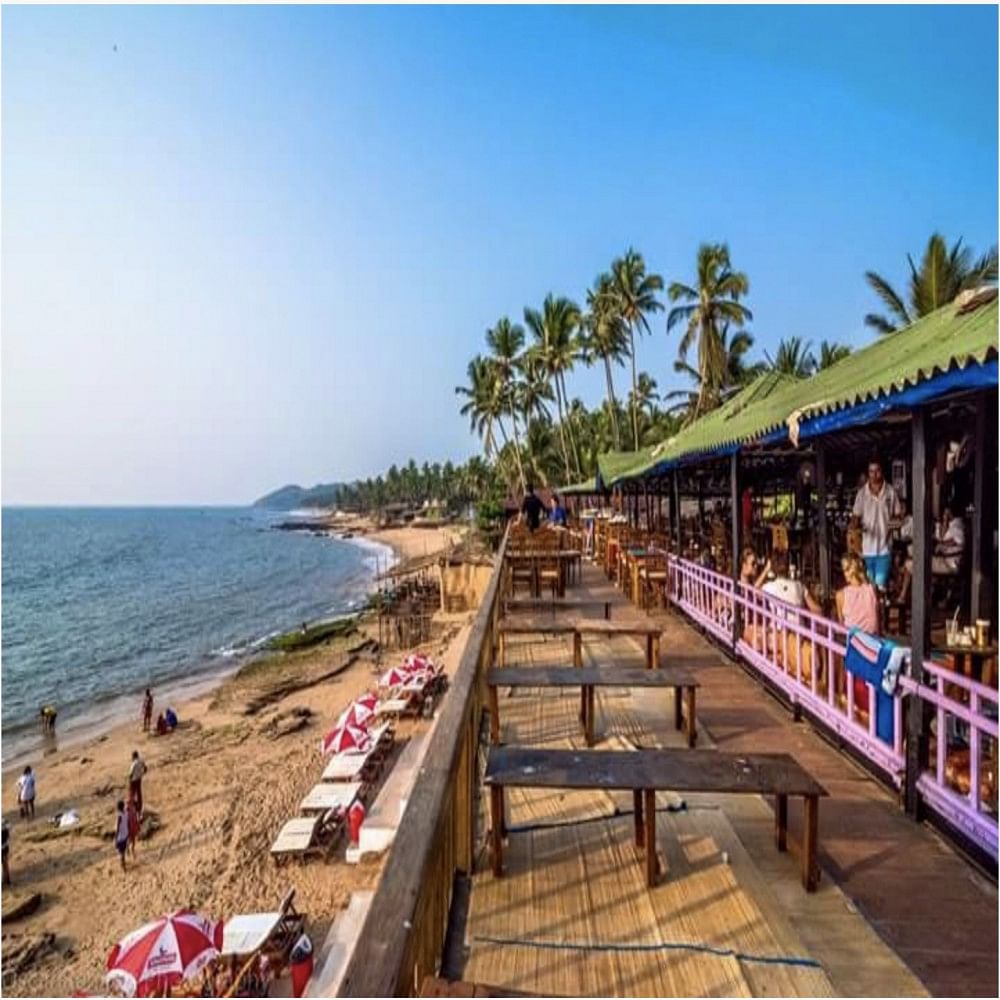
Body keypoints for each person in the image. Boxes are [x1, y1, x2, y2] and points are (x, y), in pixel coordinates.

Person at [835, 553, 880, 714]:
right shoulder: (872, 590)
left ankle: (842, 693)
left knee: (840, 646)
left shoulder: (841, 595)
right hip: (873, 645)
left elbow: (841, 626)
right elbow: (877, 623)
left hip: (854, 646)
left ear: (849, 571)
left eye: (845, 570)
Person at [851, 458, 902, 590]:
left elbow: (898, 515)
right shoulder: (862, 494)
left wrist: (890, 527)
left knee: (879, 587)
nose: (874, 475)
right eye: (871, 471)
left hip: (884, 549)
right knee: (869, 588)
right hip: (867, 549)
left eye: (877, 471)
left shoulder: (890, 492)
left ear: (882, 472)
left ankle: (879, 609)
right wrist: (854, 527)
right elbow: (855, 517)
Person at [932, 506, 966, 576]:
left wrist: (941, 545)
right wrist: (944, 523)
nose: (944, 515)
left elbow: (957, 541)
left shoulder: (957, 525)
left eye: (946, 513)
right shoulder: (943, 525)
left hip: (951, 563)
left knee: (919, 563)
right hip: (943, 559)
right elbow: (940, 539)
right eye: (944, 513)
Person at [128, 750, 147, 816]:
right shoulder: (141, 761)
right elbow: (145, 768)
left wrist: (129, 780)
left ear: (133, 756)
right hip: (139, 778)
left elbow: (130, 773)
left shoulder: (134, 763)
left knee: (132, 794)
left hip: (133, 780)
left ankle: (133, 808)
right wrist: (142, 774)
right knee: (139, 793)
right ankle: (139, 806)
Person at [114, 800, 130, 872]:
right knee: (122, 851)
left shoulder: (119, 816)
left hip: (120, 837)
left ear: (118, 808)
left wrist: (115, 837)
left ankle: (123, 867)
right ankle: (123, 863)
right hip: (126, 834)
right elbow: (128, 822)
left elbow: (117, 828)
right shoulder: (126, 813)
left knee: (121, 853)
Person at [2, 822, 11, 887]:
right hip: (5, 846)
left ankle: (6, 879)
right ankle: (7, 879)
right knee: (5, 863)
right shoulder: (4, 822)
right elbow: (8, 836)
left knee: (4, 863)